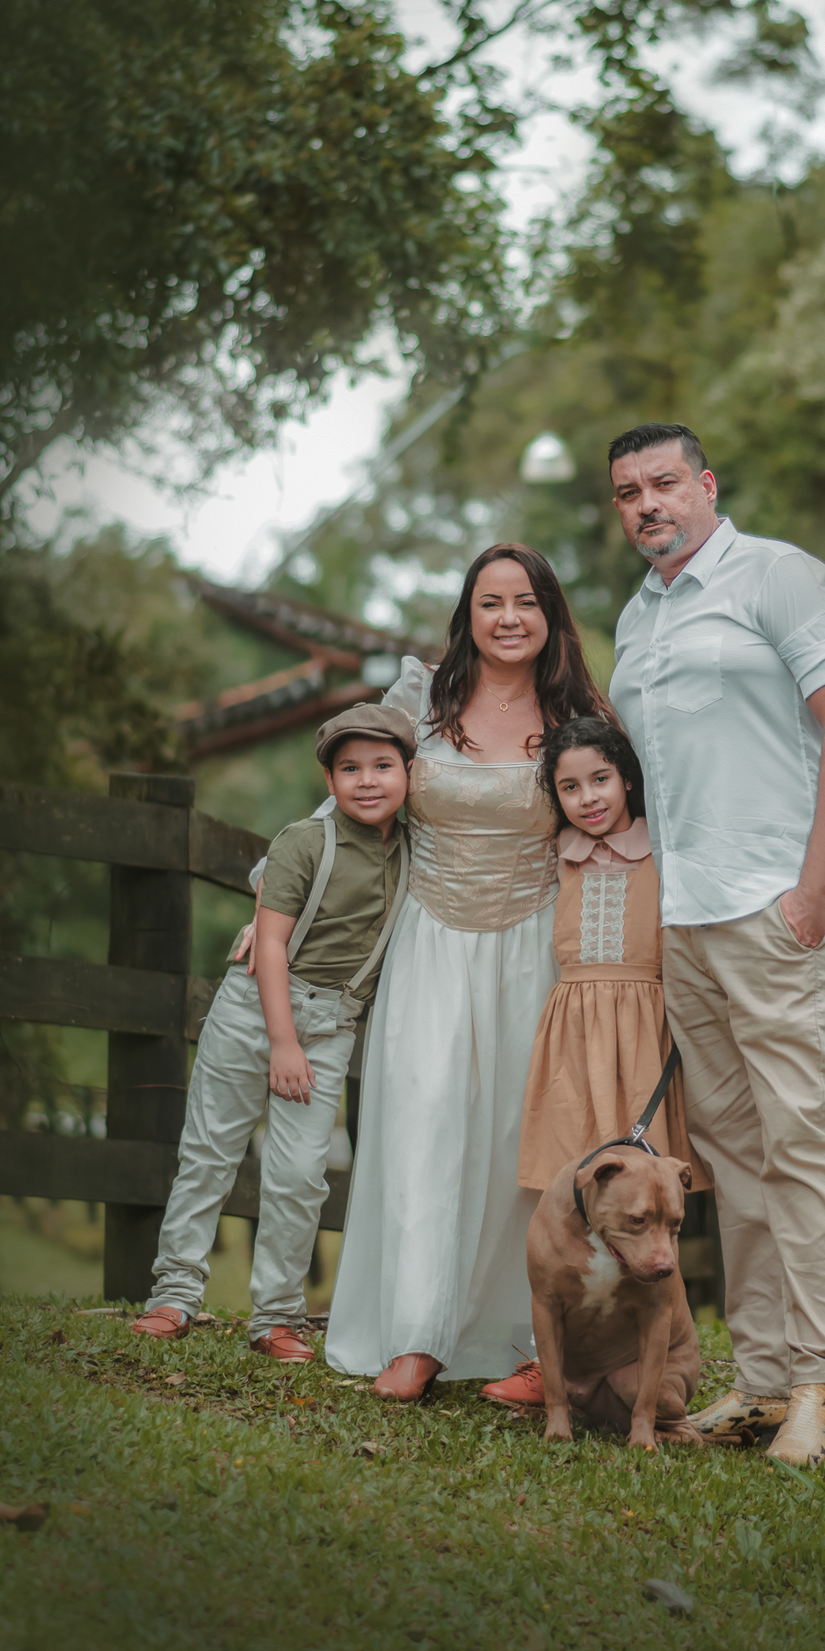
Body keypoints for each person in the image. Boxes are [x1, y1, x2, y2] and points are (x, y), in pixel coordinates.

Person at [607, 422, 825, 1468]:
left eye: (666, 482)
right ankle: (764, 1381)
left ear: (707, 484)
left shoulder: (779, 576)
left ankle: (821, 1380)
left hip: (781, 913)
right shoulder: (638, 618)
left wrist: (812, 893)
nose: (648, 504)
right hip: (688, 924)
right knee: (733, 1156)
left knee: (802, 1143)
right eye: (629, 491)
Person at [323, 544, 614, 1403]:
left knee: (513, 1143)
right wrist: (278, 888)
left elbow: (617, 810)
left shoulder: (579, 712)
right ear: (468, 616)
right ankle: (415, 1337)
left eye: (527, 601)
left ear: (550, 614)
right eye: (491, 603)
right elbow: (356, 783)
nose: (510, 618)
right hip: (430, 941)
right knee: (421, 1122)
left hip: (534, 945)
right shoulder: (423, 697)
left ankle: (527, 1340)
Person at [130, 704, 413, 1360]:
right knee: (209, 1155)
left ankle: (277, 1317)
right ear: (328, 778)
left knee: (300, 1175)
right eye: (349, 769)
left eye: (382, 766)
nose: (367, 781)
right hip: (257, 1013)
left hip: (334, 1022)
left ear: (408, 773)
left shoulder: (413, 850)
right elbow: (274, 946)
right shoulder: (304, 841)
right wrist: (283, 1042)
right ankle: (174, 1295)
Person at [517, 714, 707, 1187]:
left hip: (646, 1031)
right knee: (575, 1169)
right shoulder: (560, 852)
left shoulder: (662, 852)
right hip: (574, 1034)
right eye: (570, 787)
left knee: (648, 1176)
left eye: (600, 779)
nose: (588, 798)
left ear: (625, 776)